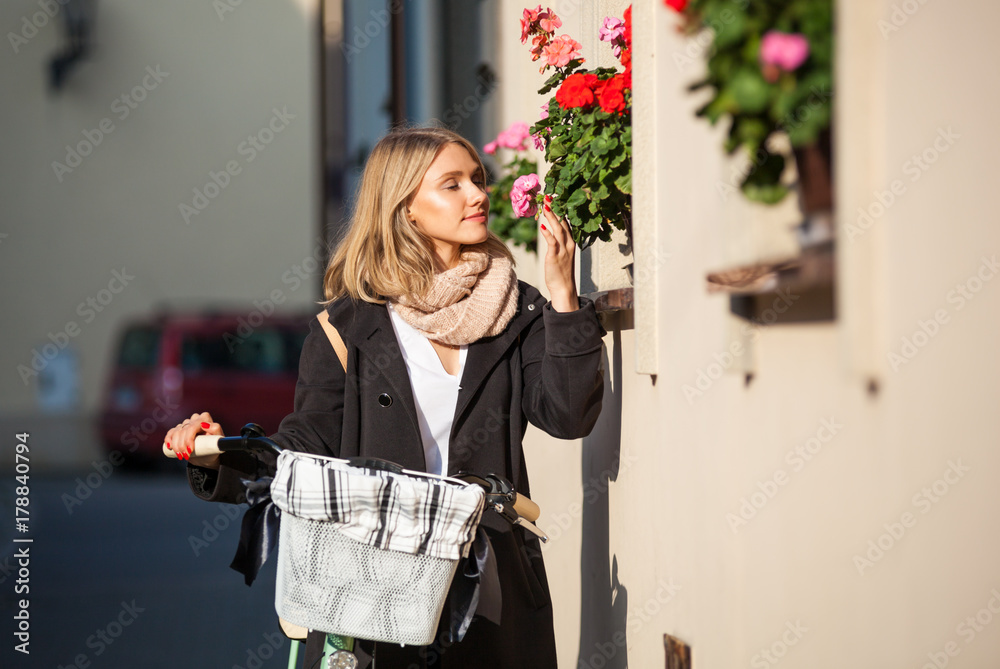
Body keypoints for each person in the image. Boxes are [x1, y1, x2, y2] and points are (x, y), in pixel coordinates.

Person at [164, 126, 604, 668]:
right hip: (378, 591)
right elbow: (306, 445)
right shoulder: (346, 327)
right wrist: (214, 452)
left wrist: (564, 299)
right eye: (452, 184)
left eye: (477, 178)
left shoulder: (521, 309)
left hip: (490, 586)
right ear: (407, 209)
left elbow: (567, 415)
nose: (476, 194)